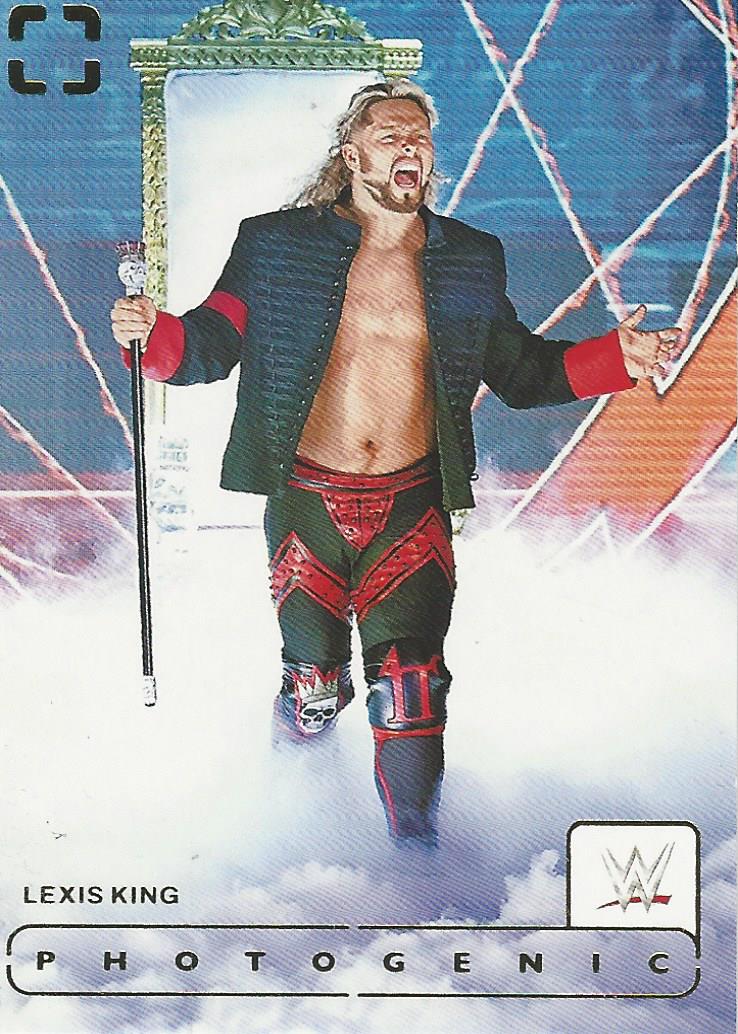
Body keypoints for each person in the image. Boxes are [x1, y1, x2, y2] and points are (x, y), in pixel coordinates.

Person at [111, 79, 681, 847]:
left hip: (412, 505)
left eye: (420, 137)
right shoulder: (274, 244)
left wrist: (618, 359)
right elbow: (213, 342)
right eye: (390, 136)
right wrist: (151, 336)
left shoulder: (470, 257)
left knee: (411, 686)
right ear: (352, 157)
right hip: (308, 501)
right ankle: (285, 814)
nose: (410, 147)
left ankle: (415, 862)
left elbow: (521, 372)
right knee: (314, 689)